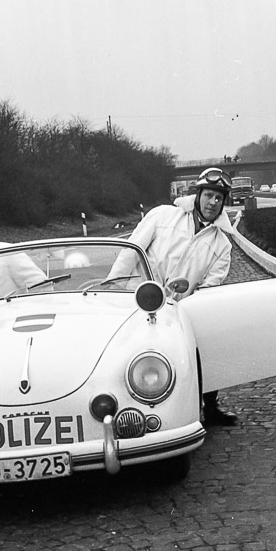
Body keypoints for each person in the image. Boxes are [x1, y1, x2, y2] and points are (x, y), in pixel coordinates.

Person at [108, 166, 237, 425]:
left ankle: (209, 407)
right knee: (121, 355)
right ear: (197, 195)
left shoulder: (222, 246)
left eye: (218, 198)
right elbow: (131, 251)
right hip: (134, 300)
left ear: (223, 204)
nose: (212, 202)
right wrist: (113, 287)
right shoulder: (162, 216)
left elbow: (208, 289)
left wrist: (184, 308)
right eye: (209, 195)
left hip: (175, 311)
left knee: (200, 348)